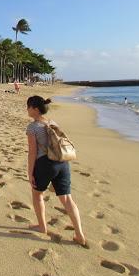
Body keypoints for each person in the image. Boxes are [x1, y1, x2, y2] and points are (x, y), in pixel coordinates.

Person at [25, 95, 86, 247]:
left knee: (37, 194)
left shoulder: (32, 127)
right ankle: (79, 234)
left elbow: (32, 153)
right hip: (62, 162)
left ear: (35, 109)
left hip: (45, 164)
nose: (27, 109)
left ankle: (42, 226)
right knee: (67, 199)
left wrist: (30, 172)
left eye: (28, 107)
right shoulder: (52, 122)